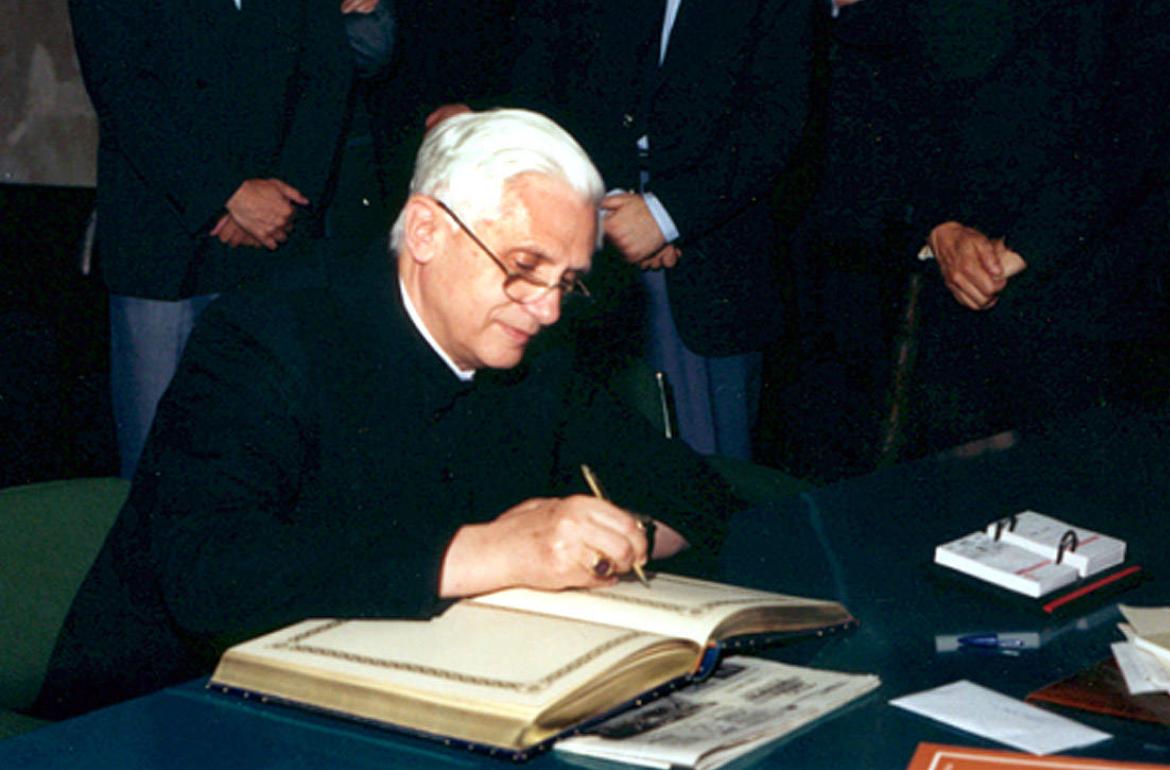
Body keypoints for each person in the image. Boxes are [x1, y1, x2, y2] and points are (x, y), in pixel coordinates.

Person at [32, 109, 738, 720]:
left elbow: (690, 491)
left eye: (567, 281)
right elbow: (210, 575)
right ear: (428, 230)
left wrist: (617, 541)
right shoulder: (267, 336)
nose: (548, 309)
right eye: (524, 266)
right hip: (168, 713)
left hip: (395, 695)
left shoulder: (532, 351)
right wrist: (487, 553)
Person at [770, 0, 1170, 469]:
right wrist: (939, 226)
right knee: (954, 520)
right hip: (950, 301)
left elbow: (1151, 120)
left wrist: (1025, 246)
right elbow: (883, 77)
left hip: (1096, 307)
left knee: (1093, 516)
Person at [429, 0, 815, 460]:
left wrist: (664, 217)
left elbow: (777, 124)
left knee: (704, 463)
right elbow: (565, 77)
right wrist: (607, 204)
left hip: (708, 251)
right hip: (590, 217)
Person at [67, 0, 355, 478]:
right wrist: (225, 195)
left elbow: (326, 72)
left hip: (274, 242)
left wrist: (283, 198)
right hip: (162, 243)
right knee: (153, 463)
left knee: (264, 459)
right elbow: (120, 86)